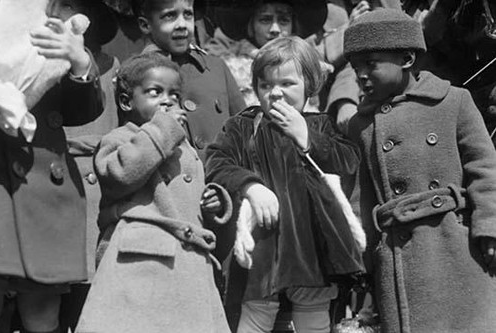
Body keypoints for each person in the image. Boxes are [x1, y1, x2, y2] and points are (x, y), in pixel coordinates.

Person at [344, 8, 496, 333]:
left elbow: (485, 169)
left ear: (407, 58)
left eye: (371, 64)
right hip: (397, 257)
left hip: (458, 246)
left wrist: (489, 227)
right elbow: (361, 198)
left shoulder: (453, 102)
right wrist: (363, 259)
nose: (361, 75)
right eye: (356, 68)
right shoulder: (360, 125)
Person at [205, 36, 365, 333]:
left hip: (311, 245)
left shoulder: (321, 125)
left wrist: (306, 137)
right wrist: (251, 186)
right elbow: (216, 162)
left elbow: (348, 162)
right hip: (264, 244)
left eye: (287, 84)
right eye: (265, 85)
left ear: (310, 85)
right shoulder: (243, 126)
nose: (275, 94)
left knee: (314, 316)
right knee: (255, 316)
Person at [75, 51, 233, 333]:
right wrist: (164, 128)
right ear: (126, 101)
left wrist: (214, 200)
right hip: (139, 263)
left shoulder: (184, 147)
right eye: (154, 92)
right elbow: (122, 173)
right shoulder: (120, 139)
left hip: (186, 265)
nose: (167, 100)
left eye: (174, 94)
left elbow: (190, 194)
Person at [0, 0, 103, 331]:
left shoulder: (55, 40)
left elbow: (82, 110)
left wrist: (79, 60)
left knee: (42, 310)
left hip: (41, 186)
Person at [50, 0, 121, 332]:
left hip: (95, 185)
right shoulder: (34, 63)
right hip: (52, 184)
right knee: (46, 296)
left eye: (72, 5)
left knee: (90, 291)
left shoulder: (110, 65)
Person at [132, 0, 245, 160]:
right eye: (170, 16)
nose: (182, 25)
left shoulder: (216, 67)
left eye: (188, 14)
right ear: (145, 25)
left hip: (225, 177)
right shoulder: (136, 76)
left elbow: (244, 130)